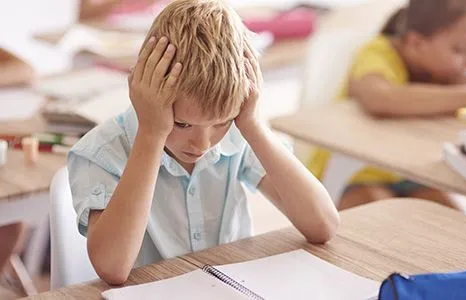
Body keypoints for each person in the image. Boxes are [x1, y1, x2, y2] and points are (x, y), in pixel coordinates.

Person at [68, 0, 340, 285]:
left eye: (220, 122)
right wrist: (151, 134)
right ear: (144, 87)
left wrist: (253, 125)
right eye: (183, 124)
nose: (202, 143)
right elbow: (112, 268)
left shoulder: (239, 131)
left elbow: (323, 225)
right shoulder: (100, 152)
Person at [309, 0, 466, 211]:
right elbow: (380, 98)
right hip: (356, 173)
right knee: (377, 210)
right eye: (460, 49)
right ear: (416, 43)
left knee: (456, 216)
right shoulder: (379, 51)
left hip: (416, 173)